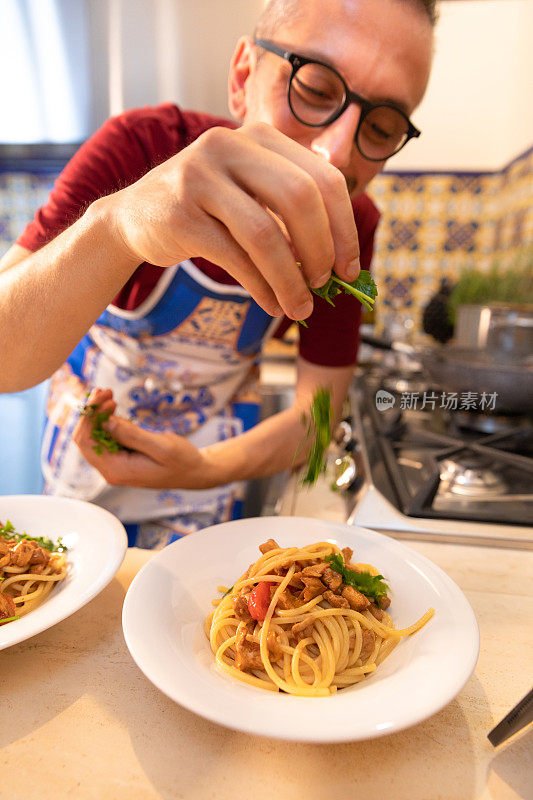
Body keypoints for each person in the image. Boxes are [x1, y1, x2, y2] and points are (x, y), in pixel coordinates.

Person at [0, 0, 435, 547]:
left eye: (383, 126)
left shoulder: (353, 223)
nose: (336, 154)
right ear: (243, 76)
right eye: (316, 91)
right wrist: (117, 227)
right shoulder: (139, 146)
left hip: (205, 493)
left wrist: (202, 468)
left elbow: (319, 416)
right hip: (80, 475)